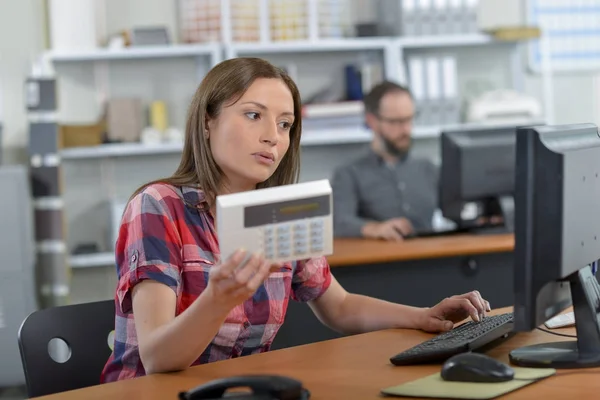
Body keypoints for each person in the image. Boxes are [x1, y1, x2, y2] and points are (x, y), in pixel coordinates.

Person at [100, 58, 491, 382]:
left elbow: (340, 306)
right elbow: (156, 359)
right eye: (254, 115)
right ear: (207, 120)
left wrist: (423, 316)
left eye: (285, 124)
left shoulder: (279, 209)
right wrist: (217, 300)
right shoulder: (157, 206)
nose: (273, 137)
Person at [331, 81, 439, 241]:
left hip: (430, 259)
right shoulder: (348, 174)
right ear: (372, 121)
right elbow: (338, 223)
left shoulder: (428, 169)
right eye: (396, 122)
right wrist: (374, 229)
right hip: (377, 261)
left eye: (409, 119)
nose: (406, 129)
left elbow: (459, 209)